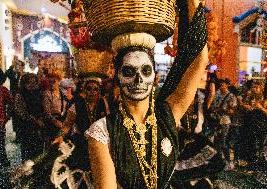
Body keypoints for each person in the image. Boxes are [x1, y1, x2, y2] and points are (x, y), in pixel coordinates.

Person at [85, 0, 209, 188]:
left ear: (155, 77)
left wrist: (192, 4)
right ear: (117, 77)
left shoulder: (167, 115)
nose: (138, 80)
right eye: (128, 72)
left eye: (145, 71)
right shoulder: (101, 133)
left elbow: (200, 61)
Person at [14, 73, 45, 161]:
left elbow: (42, 107)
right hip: (26, 128)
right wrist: (34, 120)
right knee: (27, 153)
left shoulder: (38, 93)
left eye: (34, 82)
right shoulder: (20, 95)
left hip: (38, 128)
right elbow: (21, 112)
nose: (32, 85)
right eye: (29, 82)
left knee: (39, 152)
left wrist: (41, 118)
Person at [210, 79, 237, 170]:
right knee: (216, 142)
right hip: (215, 120)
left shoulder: (231, 96)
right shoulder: (217, 94)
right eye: (220, 85)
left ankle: (229, 162)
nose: (221, 86)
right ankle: (219, 161)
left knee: (223, 141)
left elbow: (233, 111)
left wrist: (222, 110)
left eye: (223, 85)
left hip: (225, 121)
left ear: (227, 85)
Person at [0, 65, 13, 188]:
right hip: (0, 121)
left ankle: (1, 176)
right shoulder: (2, 90)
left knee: (0, 145)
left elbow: (12, 104)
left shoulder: (2, 90)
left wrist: (7, 118)